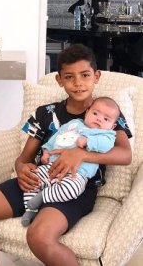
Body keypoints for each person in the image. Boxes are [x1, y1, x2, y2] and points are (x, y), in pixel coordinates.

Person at [0, 43, 132, 266]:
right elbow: (24, 159)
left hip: (76, 188)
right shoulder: (45, 113)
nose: (78, 83)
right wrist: (22, 169)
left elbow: (125, 155)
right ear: (59, 80)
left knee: (39, 236)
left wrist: (81, 155)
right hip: (39, 178)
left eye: (85, 75)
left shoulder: (108, 114)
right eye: (69, 77)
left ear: (96, 76)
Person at [21, 96, 119, 226]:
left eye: (106, 119)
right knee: (32, 179)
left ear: (113, 126)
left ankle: (41, 197)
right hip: (53, 166)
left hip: (77, 173)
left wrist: (88, 141)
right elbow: (56, 137)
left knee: (72, 190)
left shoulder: (106, 135)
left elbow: (106, 145)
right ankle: (30, 210)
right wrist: (46, 151)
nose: (99, 119)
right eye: (95, 114)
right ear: (87, 112)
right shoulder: (73, 124)